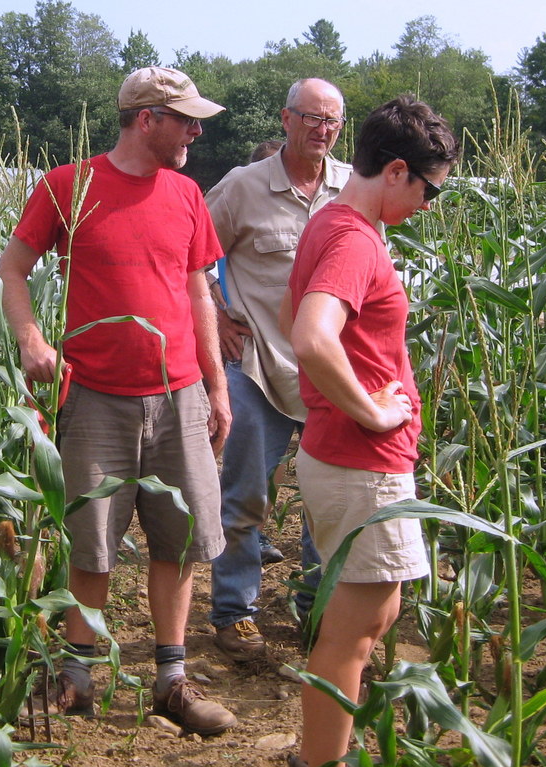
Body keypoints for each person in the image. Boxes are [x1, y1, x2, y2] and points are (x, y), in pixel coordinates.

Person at [0, 66, 236, 736]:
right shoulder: (68, 186)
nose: (195, 130)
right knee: (91, 544)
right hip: (95, 397)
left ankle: (172, 678)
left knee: (177, 541)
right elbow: (13, 268)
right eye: (185, 119)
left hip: (179, 395)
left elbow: (198, 295)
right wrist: (30, 338)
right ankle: (77, 675)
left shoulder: (188, 195)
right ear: (146, 119)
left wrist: (216, 386)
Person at [283, 95, 458, 767]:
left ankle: (319, 753)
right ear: (396, 171)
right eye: (430, 188)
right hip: (360, 464)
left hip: (347, 461)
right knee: (353, 632)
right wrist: (375, 411)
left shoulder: (330, 221)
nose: (429, 202)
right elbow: (313, 336)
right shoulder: (356, 240)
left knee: (367, 615)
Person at [203, 79, 351, 661]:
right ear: (286, 119)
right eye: (311, 117)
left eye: (332, 121)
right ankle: (234, 614)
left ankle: (319, 610)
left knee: (329, 498)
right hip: (257, 365)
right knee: (243, 496)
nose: (321, 129)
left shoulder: (351, 191)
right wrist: (215, 317)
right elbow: (193, 259)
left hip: (328, 371)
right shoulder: (242, 187)